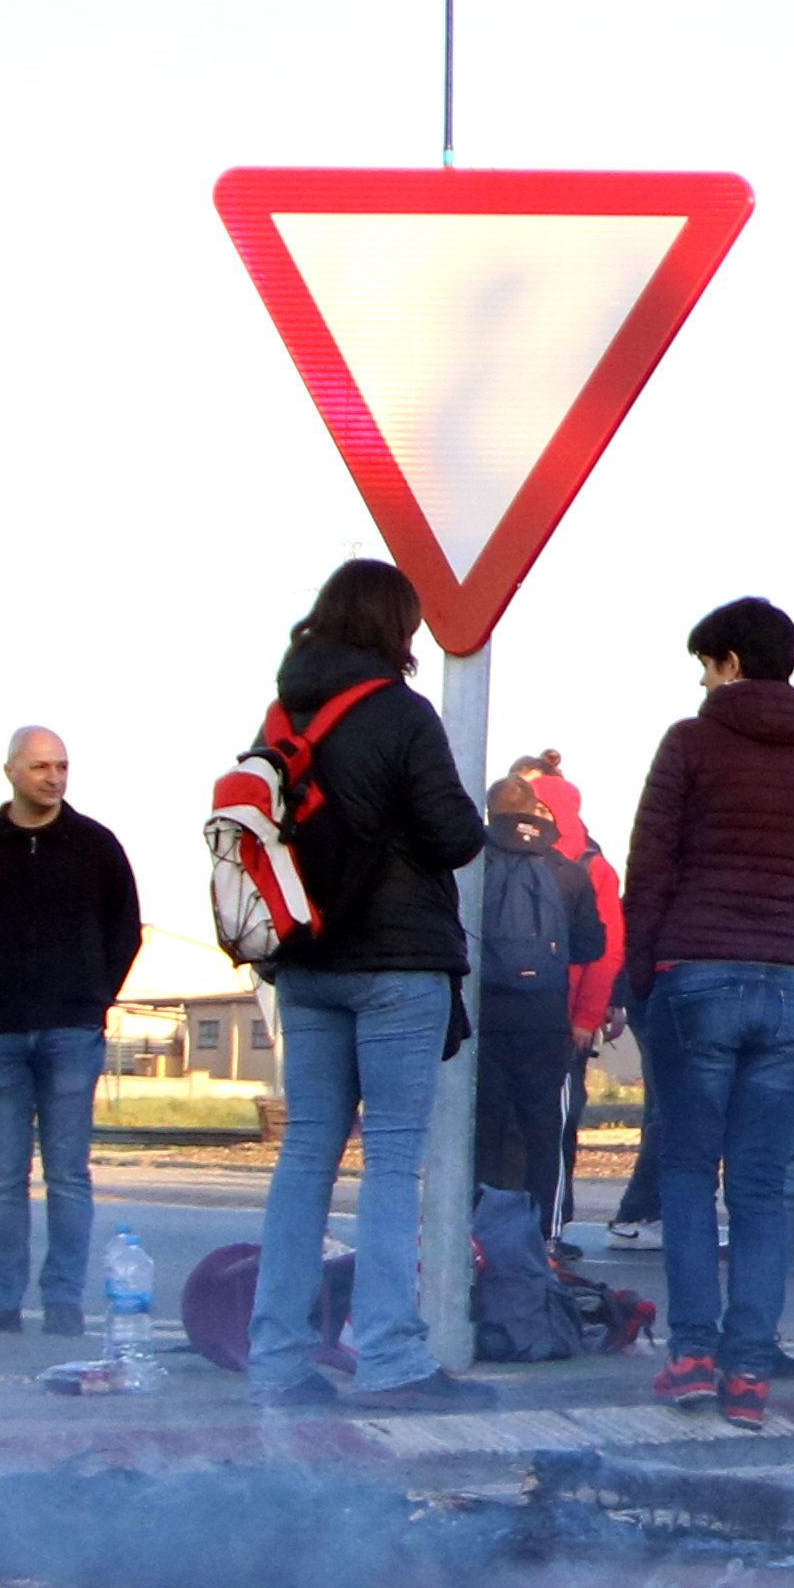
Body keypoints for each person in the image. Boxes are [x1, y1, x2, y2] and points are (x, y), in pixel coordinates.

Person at [243, 559, 488, 1408]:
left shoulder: (283, 714)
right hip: (394, 963)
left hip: (305, 961)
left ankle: (275, 1362)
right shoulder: (399, 712)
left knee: (305, 1155)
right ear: (396, 626)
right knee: (391, 1159)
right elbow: (455, 834)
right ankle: (389, 1359)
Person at [626, 594, 794, 1421]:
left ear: (729, 662)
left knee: (691, 1172)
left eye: (705, 662)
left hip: (697, 971)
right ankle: (748, 1372)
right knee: (762, 1186)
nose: (701, 679)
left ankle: (692, 1354)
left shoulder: (690, 743)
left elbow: (650, 864)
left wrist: (643, 971)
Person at [0, 726, 138, 1342]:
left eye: (61, 766)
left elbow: (126, 928)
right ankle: (0, 1298)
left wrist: (94, 996)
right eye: (39, 767)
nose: (53, 777)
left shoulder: (95, 846)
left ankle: (62, 1301)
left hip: (70, 1028)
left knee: (68, 1173)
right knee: (3, 1176)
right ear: (9, 772)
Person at [472, 773, 610, 1269]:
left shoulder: (471, 866)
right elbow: (593, 945)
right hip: (544, 1016)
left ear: (491, 814)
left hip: (483, 1017)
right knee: (544, 1128)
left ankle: (478, 1234)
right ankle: (546, 1237)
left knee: (484, 1129)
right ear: (536, 812)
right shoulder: (567, 870)